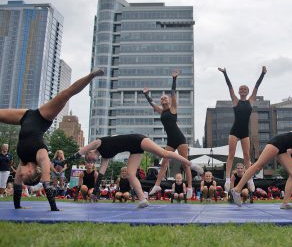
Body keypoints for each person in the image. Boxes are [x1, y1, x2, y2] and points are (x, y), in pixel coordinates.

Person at [0, 67, 104, 210]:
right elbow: (46, 183)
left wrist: (18, 208)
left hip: (24, 117)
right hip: (42, 117)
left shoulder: (23, 161)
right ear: (30, 172)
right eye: (23, 176)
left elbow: (17, 185)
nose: (19, 176)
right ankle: (92, 75)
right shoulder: (41, 155)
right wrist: (54, 208)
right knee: (66, 94)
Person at [65, 134, 193, 208]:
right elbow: (101, 175)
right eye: (91, 162)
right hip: (134, 149)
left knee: (163, 153)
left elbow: (82, 150)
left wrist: (67, 160)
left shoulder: (98, 142)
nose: (91, 161)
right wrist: (95, 192)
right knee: (131, 174)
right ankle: (143, 199)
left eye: (89, 158)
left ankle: (189, 164)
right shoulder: (105, 157)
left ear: (90, 152)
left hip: (137, 140)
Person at [144, 70, 202, 199]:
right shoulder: (161, 111)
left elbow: (173, 92)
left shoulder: (173, 108)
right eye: (161, 98)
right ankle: (157, 185)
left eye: (165, 97)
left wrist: (174, 79)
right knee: (164, 162)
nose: (163, 98)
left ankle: (190, 187)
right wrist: (146, 95)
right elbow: (152, 103)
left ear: (169, 100)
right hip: (170, 140)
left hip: (180, 139)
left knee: (185, 163)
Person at [218, 66, 267, 192]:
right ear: (239, 92)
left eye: (245, 89)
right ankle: (228, 179)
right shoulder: (235, 101)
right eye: (241, 89)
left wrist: (262, 74)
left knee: (247, 156)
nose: (243, 90)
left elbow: (257, 86)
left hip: (245, 132)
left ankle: (249, 179)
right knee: (231, 155)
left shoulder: (251, 101)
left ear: (248, 91)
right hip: (234, 131)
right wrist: (225, 73)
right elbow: (229, 87)